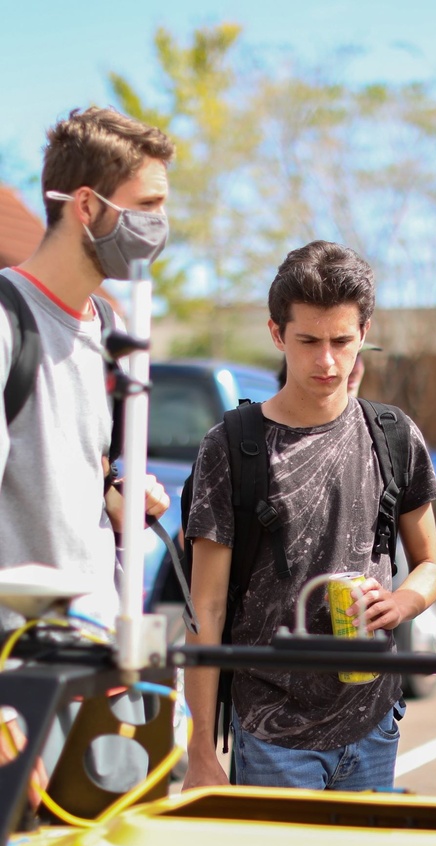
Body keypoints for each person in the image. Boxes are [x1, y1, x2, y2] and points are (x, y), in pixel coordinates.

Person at [183, 241, 436, 793]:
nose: (327, 361)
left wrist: (403, 602)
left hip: (374, 723)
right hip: (272, 734)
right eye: (308, 341)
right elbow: (204, 606)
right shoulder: (231, 446)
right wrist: (200, 749)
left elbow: (430, 565)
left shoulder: (394, 435)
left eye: (341, 341)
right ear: (277, 335)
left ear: (364, 334)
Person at [0, 106, 174, 792]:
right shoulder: (7, 321)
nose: (159, 228)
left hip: (102, 667)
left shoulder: (107, 326)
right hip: (21, 683)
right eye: (148, 206)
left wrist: (114, 495)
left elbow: (70, 467)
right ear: (85, 205)